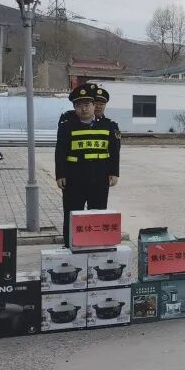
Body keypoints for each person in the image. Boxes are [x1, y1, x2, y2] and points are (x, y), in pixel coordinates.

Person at [55, 83, 121, 247]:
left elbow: (114, 151)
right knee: (71, 212)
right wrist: (60, 174)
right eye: (79, 105)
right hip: (73, 177)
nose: (83, 109)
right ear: (74, 108)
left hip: (99, 177)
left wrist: (114, 172)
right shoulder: (67, 126)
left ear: (93, 105)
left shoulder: (108, 125)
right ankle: (70, 244)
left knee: (98, 212)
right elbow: (60, 151)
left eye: (87, 105)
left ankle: (96, 244)